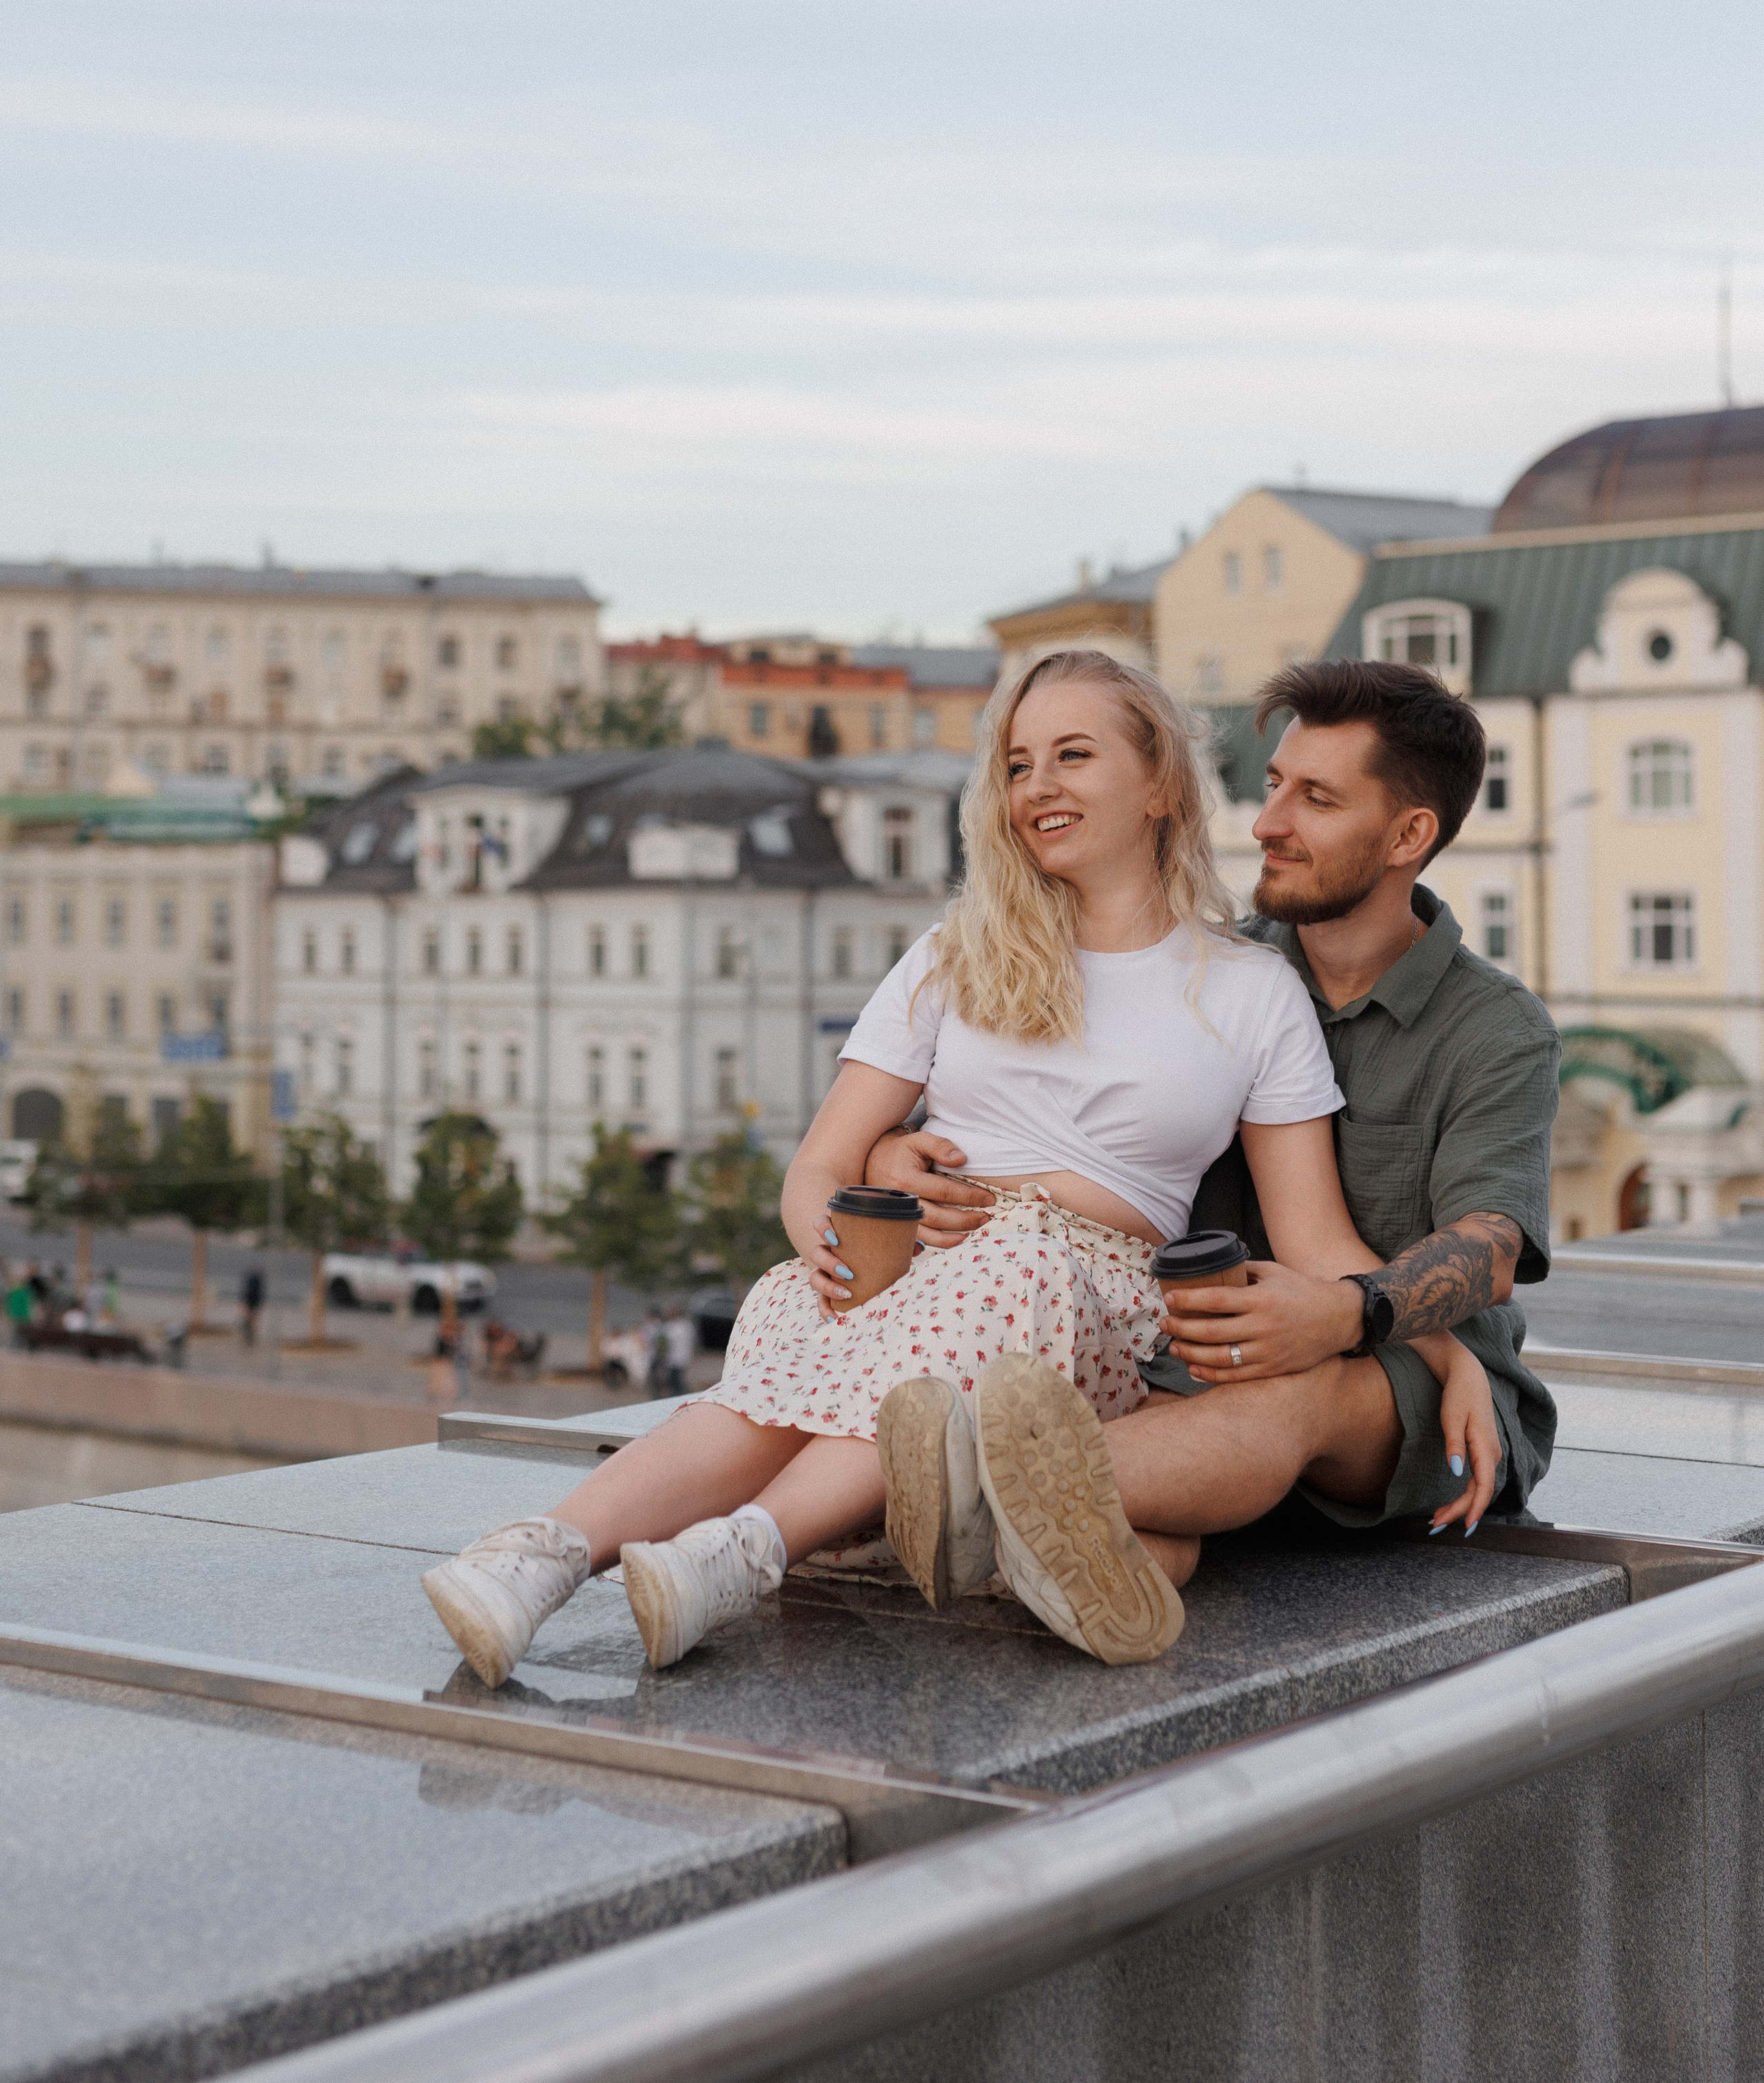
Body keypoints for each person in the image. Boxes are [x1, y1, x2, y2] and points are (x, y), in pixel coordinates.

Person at [420, 648, 1497, 1687]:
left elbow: (1316, 1244)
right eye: (1018, 764)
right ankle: (542, 1555)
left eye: (1073, 757)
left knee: (991, 1285)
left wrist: (1446, 1353)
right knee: (779, 1357)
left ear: (1162, 782)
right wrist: (841, 1257)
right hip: (926, 1266)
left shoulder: (1252, 988)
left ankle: (742, 1552)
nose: (1038, 786)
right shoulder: (954, 953)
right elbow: (819, 1170)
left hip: (1083, 1303)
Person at [865, 657, 1559, 1650]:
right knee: (1152, 1532)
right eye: (1274, 783)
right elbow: (1042, 1109)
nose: (1270, 820)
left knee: (1297, 1386)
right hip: (1191, 1363)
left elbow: (1490, 1246)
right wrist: (897, 1151)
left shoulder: (1497, 1029)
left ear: (1409, 835)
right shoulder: (1210, 969)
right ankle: (1033, 1560)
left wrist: (1353, 1316)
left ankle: (949, 1488)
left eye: (1315, 798)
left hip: (1401, 1388)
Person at [662, 1306, 697, 1397]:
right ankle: (679, 1395)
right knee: (674, 1379)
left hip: (683, 1355)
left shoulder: (685, 1325)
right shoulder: (667, 1327)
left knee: (679, 1378)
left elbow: (692, 1340)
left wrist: (692, 1355)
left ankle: (684, 1395)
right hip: (672, 1357)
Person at [238, 1264, 266, 1348]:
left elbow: (247, 1292)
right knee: (251, 1318)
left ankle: (250, 1333)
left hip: (252, 1300)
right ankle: (250, 1333)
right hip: (252, 1301)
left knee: (252, 1318)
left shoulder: (252, 1280)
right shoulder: (255, 1280)